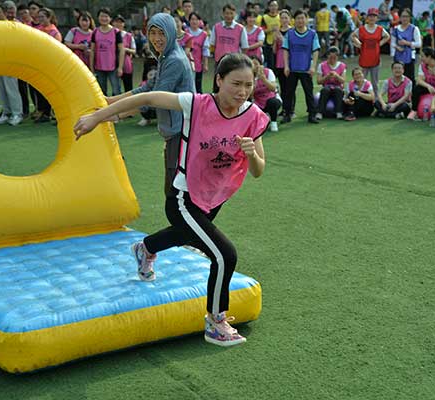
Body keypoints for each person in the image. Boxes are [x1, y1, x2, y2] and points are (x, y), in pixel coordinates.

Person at [74, 53, 268, 347]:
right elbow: (147, 97)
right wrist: (97, 117)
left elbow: (258, 171)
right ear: (218, 80)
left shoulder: (252, 116)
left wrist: (251, 153)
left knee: (183, 235)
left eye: (248, 85)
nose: (242, 92)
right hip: (183, 196)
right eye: (235, 84)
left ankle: (146, 248)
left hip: (213, 199)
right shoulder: (198, 104)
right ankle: (216, 322)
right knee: (224, 254)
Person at [108, 13, 195, 196]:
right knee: (176, 191)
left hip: (181, 131)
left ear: (171, 33)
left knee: (175, 193)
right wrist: (110, 102)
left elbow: (152, 99)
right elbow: (147, 88)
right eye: (152, 33)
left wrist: (115, 115)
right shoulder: (167, 55)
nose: (156, 39)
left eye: (161, 33)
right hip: (176, 131)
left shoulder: (174, 60)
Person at [281, 9, 320, 124]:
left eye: (303, 18)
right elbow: (285, 50)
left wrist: (313, 66)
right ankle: (287, 114)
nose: (300, 20)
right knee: (289, 93)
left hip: (306, 69)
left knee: (309, 92)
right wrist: (286, 66)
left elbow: (316, 51)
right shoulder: (290, 33)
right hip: (292, 68)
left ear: (307, 19)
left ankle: (312, 115)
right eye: (298, 18)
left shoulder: (312, 34)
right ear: (294, 20)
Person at [0, 2, 23, 125]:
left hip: (10, 60)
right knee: (0, 88)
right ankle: (6, 112)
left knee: (11, 88)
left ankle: (17, 113)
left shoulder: (13, 25)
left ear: (4, 13)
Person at [352, 7, 390, 96]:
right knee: (361, 81)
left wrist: (379, 44)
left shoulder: (380, 29)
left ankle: (376, 101)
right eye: (370, 16)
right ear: (367, 17)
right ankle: (360, 99)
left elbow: (387, 36)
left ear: (377, 18)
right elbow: (353, 36)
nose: (372, 18)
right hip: (364, 59)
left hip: (375, 59)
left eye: (374, 16)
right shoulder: (361, 29)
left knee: (375, 83)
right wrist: (358, 43)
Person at [90, 8, 125, 96]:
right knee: (101, 92)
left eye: (106, 16)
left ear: (110, 19)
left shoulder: (116, 32)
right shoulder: (95, 32)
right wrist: (91, 66)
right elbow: (92, 50)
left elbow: (122, 50)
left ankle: (118, 109)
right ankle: (104, 109)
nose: (104, 18)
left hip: (113, 67)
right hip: (99, 67)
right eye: (102, 16)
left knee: (116, 91)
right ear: (98, 18)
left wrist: (120, 67)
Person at [407, 47, 435, 120]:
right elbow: (419, 80)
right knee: (417, 89)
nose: (421, 58)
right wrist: (428, 86)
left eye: (422, 56)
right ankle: (414, 111)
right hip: (431, 88)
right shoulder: (422, 66)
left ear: (429, 57)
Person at [250, 55, 281, 131]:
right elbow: (250, 96)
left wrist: (263, 79)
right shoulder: (249, 76)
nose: (255, 66)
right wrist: (254, 82)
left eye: (256, 64)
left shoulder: (268, 72)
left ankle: (273, 122)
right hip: (257, 102)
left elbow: (273, 88)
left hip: (271, 99)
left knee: (273, 102)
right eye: (252, 65)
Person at [390, 8, 421, 83]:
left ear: (410, 17)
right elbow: (392, 43)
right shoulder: (396, 29)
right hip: (398, 57)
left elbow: (419, 44)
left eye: (407, 16)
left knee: (410, 79)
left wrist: (407, 43)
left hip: (409, 57)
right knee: (398, 78)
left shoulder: (414, 28)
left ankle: (411, 94)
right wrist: (397, 47)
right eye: (403, 16)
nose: (405, 18)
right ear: (400, 17)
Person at [273, 9, 294, 118]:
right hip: (279, 63)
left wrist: (282, 39)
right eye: (282, 18)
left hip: (289, 63)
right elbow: (274, 50)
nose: (284, 20)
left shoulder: (292, 32)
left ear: (289, 19)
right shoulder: (277, 31)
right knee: (283, 87)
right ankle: (285, 109)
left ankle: (291, 110)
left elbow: (292, 48)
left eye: (286, 17)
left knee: (290, 88)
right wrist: (275, 40)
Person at [316, 46, 346, 120]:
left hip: (338, 87)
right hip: (327, 86)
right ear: (327, 56)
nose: (332, 60)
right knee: (325, 90)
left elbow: (343, 80)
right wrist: (327, 77)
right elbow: (319, 81)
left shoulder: (342, 65)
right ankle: (320, 112)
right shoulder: (322, 65)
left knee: (338, 90)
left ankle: (339, 112)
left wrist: (336, 76)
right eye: (330, 57)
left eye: (334, 57)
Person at [186, 12, 209, 93]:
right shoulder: (185, 32)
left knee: (197, 86)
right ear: (189, 21)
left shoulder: (204, 34)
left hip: (197, 64)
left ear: (199, 21)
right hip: (186, 64)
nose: (194, 21)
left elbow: (205, 51)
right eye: (192, 19)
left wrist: (205, 64)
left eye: (196, 19)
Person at [113, 15, 136, 93]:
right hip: (113, 64)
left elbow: (134, 51)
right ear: (113, 23)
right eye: (116, 22)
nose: (119, 24)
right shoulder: (110, 34)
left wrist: (125, 49)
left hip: (126, 64)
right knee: (116, 88)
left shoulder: (128, 36)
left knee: (128, 87)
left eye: (121, 22)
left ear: (124, 24)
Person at [260, 1, 280, 69]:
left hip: (279, 44)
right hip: (268, 44)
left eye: (275, 5)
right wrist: (271, 30)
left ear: (277, 7)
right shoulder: (265, 17)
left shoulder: (280, 17)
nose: (273, 7)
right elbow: (262, 31)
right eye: (272, 6)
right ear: (269, 7)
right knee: (270, 65)